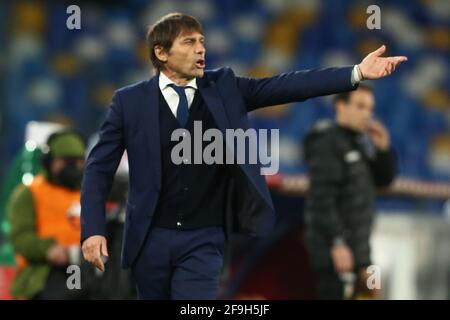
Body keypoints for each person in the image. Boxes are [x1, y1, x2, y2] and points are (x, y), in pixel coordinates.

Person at [80, 12, 407, 300]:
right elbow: (98, 168)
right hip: (149, 240)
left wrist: (355, 73)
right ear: (161, 52)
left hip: (204, 240)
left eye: (202, 41)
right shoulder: (128, 102)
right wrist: (93, 229)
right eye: (190, 42)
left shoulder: (224, 87)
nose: (200, 49)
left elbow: (286, 85)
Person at [303, 84, 397, 299]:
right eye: (360, 106)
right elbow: (321, 199)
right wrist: (336, 243)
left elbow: (385, 180)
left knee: (374, 290)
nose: (366, 113)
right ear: (340, 107)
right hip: (336, 252)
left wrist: (383, 150)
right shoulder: (327, 142)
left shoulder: (361, 142)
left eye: (370, 108)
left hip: (362, 250)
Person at [8, 130, 87, 299]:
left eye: (77, 161)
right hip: (45, 272)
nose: (72, 167)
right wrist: (48, 249)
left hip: (88, 269)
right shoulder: (29, 193)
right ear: (49, 161)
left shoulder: (92, 193)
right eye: (65, 161)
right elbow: (20, 237)